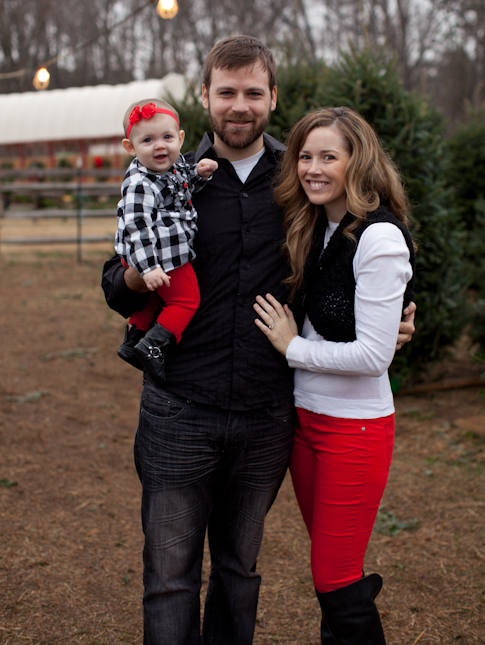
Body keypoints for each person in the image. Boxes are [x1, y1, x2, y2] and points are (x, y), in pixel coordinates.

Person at [101, 36, 416, 645]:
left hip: (267, 413)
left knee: (239, 570)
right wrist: (140, 273)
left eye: (252, 92)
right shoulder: (171, 175)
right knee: (168, 576)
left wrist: (390, 319)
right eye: (226, 92)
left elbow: (354, 253)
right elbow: (116, 280)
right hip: (179, 407)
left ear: (273, 96)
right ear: (205, 97)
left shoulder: (301, 180)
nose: (239, 106)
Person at [254, 107, 416, 645]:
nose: (313, 168)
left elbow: (373, 356)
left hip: (355, 429)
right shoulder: (316, 226)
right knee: (336, 572)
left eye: (329, 156)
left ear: (358, 162)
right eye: (305, 156)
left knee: (334, 576)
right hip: (305, 423)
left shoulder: (379, 237)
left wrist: (292, 347)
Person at [115, 98, 218, 382]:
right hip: (158, 256)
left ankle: (132, 340)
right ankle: (153, 348)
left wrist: (199, 172)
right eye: (148, 140)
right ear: (131, 147)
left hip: (158, 255)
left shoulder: (172, 167)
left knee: (154, 298)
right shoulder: (140, 184)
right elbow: (137, 227)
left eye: (167, 137)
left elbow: (181, 184)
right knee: (186, 300)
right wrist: (149, 268)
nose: (160, 146)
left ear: (180, 138)